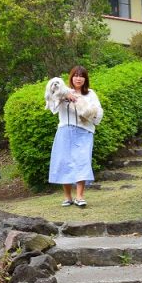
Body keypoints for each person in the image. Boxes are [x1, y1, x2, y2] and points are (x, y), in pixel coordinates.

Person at [45, 65, 103, 208]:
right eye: (76, 75)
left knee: (82, 161)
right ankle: (67, 197)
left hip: (84, 132)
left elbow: (98, 112)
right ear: (71, 77)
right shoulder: (63, 92)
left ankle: (80, 196)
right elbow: (51, 104)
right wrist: (64, 95)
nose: (78, 78)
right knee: (64, 161)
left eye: (81, 75)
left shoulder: (90, 94)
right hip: (65, 131)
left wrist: (80, 104)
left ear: (85, 79)